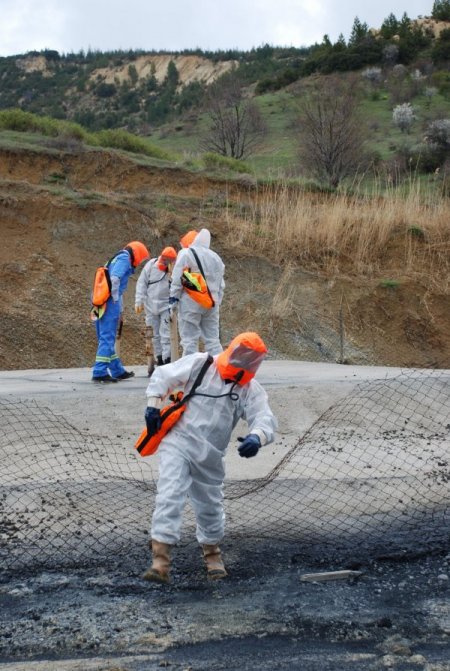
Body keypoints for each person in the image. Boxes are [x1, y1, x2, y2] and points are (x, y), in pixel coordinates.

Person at [142, 331, 277, 583]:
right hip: (179, 442)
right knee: (170, 495)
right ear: (232, 351)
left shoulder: (248, 388)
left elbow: (264, 417)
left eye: (249, 359)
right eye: (241, 356)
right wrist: (152, 405)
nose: (243, 362)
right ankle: (160, 562)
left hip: (211, 455)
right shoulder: (201, 364)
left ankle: (212, 554)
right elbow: (163, 375)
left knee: (210, 506)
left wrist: (256, 437)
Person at [92, 241, 149, 383]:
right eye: (140, 259)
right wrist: (115, 301)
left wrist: (120, 310)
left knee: (104, 337)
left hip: (100, 300)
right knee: (107, 337)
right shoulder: (124, 259)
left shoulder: (115, 258)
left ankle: (117, 370)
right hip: (109, 302)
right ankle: (99, 371)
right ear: (136, 254)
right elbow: (115, 279)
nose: (139, 263)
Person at [169, 228, 225, 357]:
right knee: (213, 340)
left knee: (190, 340)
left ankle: (191, 368)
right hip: (211, 303)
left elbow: (177, 279)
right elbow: (221, 285)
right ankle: (220, 367)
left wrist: (173, 300)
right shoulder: (216, 257)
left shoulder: (186, 253)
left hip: (191, 302)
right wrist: (216, 301)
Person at [135, 246, 177, 373]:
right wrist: (139, 300)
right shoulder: (151, 265)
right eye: (164, 260)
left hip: (165, 306)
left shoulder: (174, 271)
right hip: (150, 306)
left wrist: (172, 274)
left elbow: (177, 287)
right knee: (154, 335)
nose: (165, 263)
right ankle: (159, 358)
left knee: (166, 334)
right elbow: (142, 283)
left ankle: (167, 359)